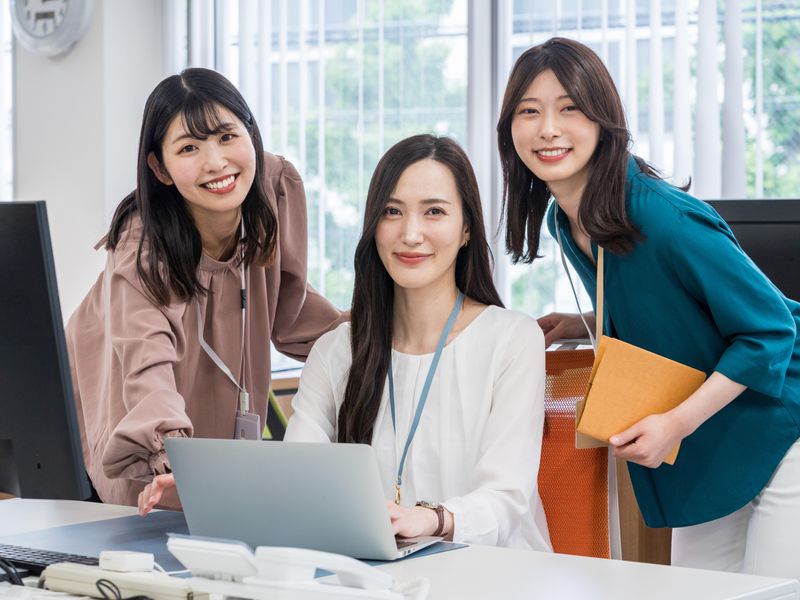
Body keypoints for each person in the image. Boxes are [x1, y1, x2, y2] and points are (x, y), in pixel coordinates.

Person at [496, 37, 800, 578]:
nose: (547, 128)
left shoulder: (661, 219)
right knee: (695, 590)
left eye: (569, 108)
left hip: (783, 421)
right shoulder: (566, 223)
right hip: (719, 438)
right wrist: (584, 321)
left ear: (603, 119)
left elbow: (771, 331)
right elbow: (662, 308)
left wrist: (676, 423)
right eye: (529, 111)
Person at [67, 68, 344, 511]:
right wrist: (170, 456)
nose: (215, 162)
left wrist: (382, 331)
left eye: (226, 136)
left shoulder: (273, 189)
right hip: (134, 422)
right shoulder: (143, 245)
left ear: (250, 132)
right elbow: (146, 365)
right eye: (189, 148)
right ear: (159, 167)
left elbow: (290, 312)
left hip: (214, 432)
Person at [283, 134, 552, 550]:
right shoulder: (337, 350)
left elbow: (507, 498)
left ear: (466, 229)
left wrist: (432, 519)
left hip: (495, 575)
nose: (410, 234)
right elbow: (296, 475)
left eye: (434, 212)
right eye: (392, 212)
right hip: (375, 575)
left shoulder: (513, 341)